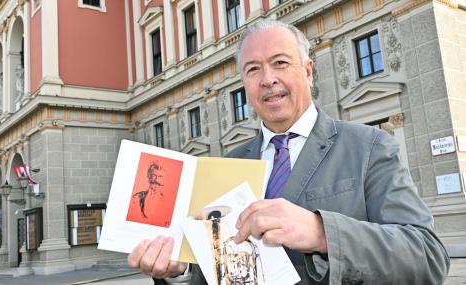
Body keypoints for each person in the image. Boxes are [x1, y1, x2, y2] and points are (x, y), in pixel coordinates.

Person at [127, 19, 450, 284]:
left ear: (308, 71)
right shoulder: (227, 165)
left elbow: (428, 257)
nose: (268, 79)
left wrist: (322, 233)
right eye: (253, 70)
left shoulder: (369, 146)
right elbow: (212, 273)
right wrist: (179, 272)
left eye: (280, 63)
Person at [128, 161, 171, 227]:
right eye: (154, 175)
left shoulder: (167, 203)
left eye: (160, 176)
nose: (156, 179)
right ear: (149, 177)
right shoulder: (135, 198)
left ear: (164, 180)